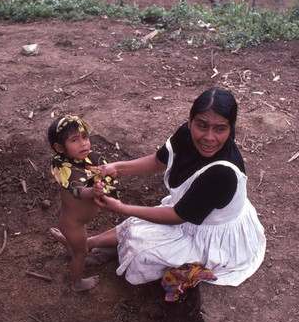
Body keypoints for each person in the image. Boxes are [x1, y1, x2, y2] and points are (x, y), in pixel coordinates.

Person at [88, 88, 266, 289]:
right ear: (190, 121)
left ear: (231, 128)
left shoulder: (222, 173)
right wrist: (117, 168)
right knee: (135, 225)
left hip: (212, 232)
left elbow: (178, 216)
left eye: (220, 129)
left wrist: (121, 207)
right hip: (193, 211)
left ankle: (112, 249)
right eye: (202, 125)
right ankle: (89, 243)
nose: (209, 137)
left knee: (142, 250)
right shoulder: (186, 134)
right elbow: (158, 161)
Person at [48, 114, 119, 292]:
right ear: (59, 148)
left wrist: (108, 180)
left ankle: (67, 241)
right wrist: (94, 191)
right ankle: (77, 283)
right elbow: (78, 192)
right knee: (81, 254)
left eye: (85, 137)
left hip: (67, 215)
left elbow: (105, 177)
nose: (84, 143)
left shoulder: (88, 159)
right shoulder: (64, 167)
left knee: (76, 244)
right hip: (73, 223)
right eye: (75, 140)